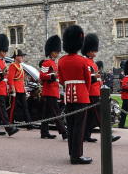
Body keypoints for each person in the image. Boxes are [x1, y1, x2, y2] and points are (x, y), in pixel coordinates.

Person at [59, 24, 93, 165]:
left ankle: (72, 152)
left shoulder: (61, 61)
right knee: (80, 126)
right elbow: (88, 80)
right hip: (81, 95)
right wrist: (86, 92)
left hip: (68, 96)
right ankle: (77, 156)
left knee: (71, 126)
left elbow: (61, 80)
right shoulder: (83, 61)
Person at [38, 35, 67, 140]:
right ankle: (64, 132)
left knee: (46, 114)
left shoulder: (55, 64)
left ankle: (44, 132)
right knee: (56, 113)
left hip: (54, 91)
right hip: (49, 91)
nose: (57, 53)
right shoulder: (46, 63)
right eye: (55, 52)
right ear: (51, 52)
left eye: (58, 52)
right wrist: (52, 76)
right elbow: (42, 76)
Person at [0, 35, 18, 136]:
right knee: (2, 111)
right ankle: (9, 129)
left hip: (3, 89)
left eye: (5, 51)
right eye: (3, 51)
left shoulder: (3, 62)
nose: (5, 53)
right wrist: (1, 73)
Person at [7, 49, 33, 129]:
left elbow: (21, 79)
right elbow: (10, 78)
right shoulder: (13, 65)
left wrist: (24, 88)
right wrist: (13, 88)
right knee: (13, 107)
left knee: (25, 106)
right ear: (16, 57)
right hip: (15, 89)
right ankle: (10, 123)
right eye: (21, 56)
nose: (22, 57)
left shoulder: (20, 66)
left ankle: (29, 123)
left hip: (21, 89)